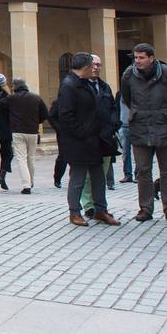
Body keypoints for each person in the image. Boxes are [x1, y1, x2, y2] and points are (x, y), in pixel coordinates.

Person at [119, 43, 167, 223]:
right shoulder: (128, 75)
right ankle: (145, 208)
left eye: (141, 57)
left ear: (151, 58)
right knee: (143, 171)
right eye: (135, 57)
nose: (137, 61)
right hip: (140, 127)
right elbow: (127, 98)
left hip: (165, 127)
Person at [56, 53, 120, 226]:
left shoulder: (87, 84)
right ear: (85, 67)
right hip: (79, 141)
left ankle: (101, 209)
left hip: (95, 139)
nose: (95, 68)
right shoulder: (69, 85)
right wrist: (82, 132)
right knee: (78, 177)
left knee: (99, 176)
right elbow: (64, 115)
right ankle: (74, 212)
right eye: (92, 65)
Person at [6, 78, 48, 194]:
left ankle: (26, 185)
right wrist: (36, 121)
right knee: (31, 158)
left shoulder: (11, 98)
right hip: (33, 131)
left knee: (21, 158)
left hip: (18, 131)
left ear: (15, 87)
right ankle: (31, 181)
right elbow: (45, 114)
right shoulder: (36, 97)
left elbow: (1, 108)